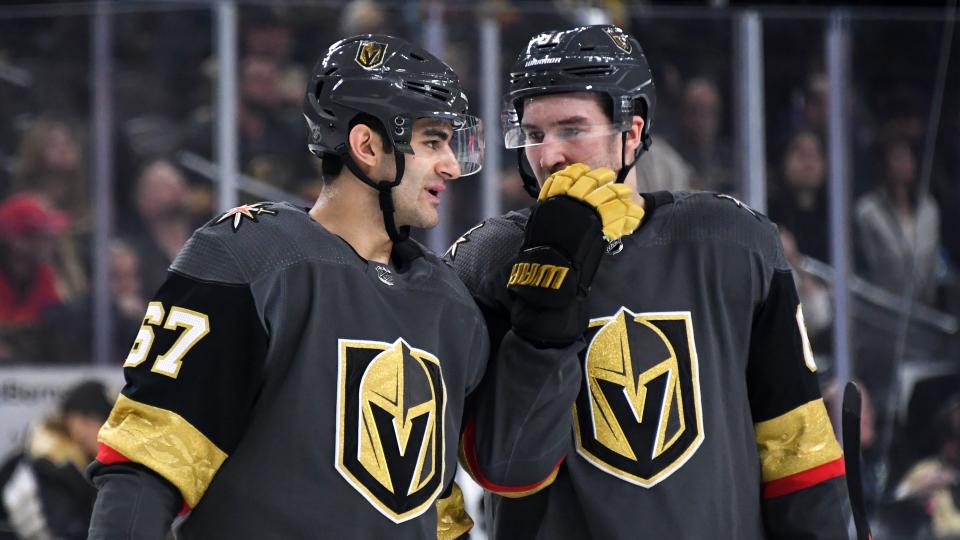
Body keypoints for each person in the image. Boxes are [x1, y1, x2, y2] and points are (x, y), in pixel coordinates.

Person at [87, 34, 631, 539]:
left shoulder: (447, 301)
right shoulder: (249, 257)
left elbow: (436, 510)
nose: (449, 165)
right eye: (433, 140)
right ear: (367, 146)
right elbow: (146, 463)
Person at [446, 25, 850, 539]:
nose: (549, 157)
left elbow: (796, 451)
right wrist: (544, 300)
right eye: (534, 134)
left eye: (572, 129)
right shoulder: (490, 260)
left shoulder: (732, 243)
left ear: (632, 131)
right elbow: (508, 467)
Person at [1, 380, 113, 539]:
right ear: (76, 422)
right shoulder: (48, 465)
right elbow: (61, 533)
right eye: (104, 423)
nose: (112, 433)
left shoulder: (76, 462)